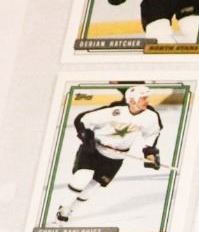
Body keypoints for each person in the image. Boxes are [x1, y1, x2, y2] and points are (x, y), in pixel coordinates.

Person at [52, 85, 164, 224]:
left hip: (115, 158)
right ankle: (63, 208)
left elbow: (152, 134)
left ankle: (70, 210)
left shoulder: (151, 116)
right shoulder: (115, 110)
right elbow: (83, 119)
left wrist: (150, 152)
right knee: (82, 177)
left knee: (91, 189)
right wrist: (86, 136)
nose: (147, 101)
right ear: (132, 100)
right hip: (94, 150)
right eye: (143, 98)